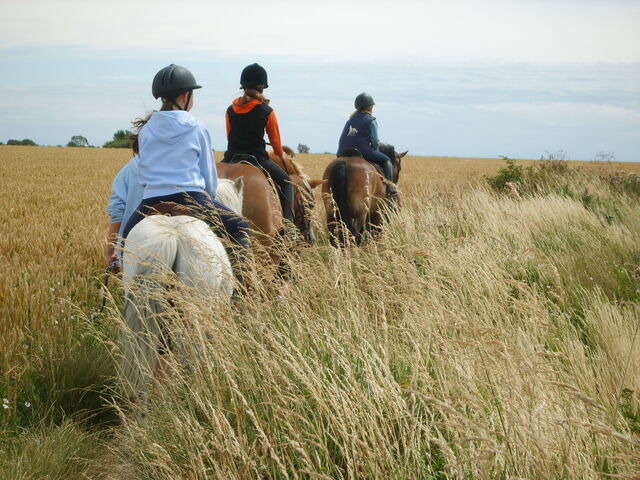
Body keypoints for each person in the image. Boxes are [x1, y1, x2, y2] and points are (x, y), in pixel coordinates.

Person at [119, 64, 251, 285]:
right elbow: (209, 178)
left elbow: (143, 175)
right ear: (185, 95)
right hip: (192, 199)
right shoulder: (197, 127)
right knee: (241, 227)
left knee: (124, 242)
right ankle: (240, 292)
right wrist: (208, 196)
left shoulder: (147, 130)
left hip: (151, 201)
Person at [222, 63, 295, 226]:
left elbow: (229, 136)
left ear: (243, 86)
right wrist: (281, 155)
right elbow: (276, 145)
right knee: (287, 183)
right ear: (262, 86)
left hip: (231, 157)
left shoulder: (230, 110)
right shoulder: (267, 111)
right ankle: (290, 227)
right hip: (258, 159)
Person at [337, 92, 398, 203]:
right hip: (362, 151)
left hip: (342, 152)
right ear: (370, 107)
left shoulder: (350, 120)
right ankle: (391, 189)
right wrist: (375, 150)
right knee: (387, 160)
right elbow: (374, 141)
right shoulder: (371, 120)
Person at [105, 154, 143, 274]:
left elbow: (118, 213)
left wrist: (109, 253)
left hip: (134, 246)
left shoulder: (130, 169)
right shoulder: (185, 164)